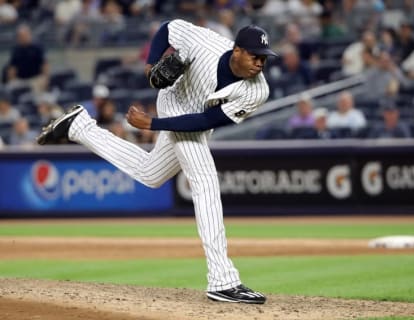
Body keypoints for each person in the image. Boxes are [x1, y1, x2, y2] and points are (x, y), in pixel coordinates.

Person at [37, 19, 277, 304]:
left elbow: (206, 120)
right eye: (254, 55)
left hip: (191, 119)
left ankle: (79, 127)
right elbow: (167, 27)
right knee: (206, 182)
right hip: (174, 100)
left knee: (150, 174)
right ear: (236, 50)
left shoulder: (257, 91)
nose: (260, 62)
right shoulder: (205, 42)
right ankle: (222, 280)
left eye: (264, 57)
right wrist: (151, 65)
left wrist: (153, 124)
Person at [5, 24, 49, 96]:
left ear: (29, 35)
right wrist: (11, 80)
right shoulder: (16, 49)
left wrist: (46, 78)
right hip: (20, 80)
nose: (23, 38)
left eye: (25, 35)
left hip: (36, 79)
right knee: (10, 87)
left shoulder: (37, 47)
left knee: (39, 91)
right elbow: (12, 67)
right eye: (21, 36)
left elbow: (45, 64)